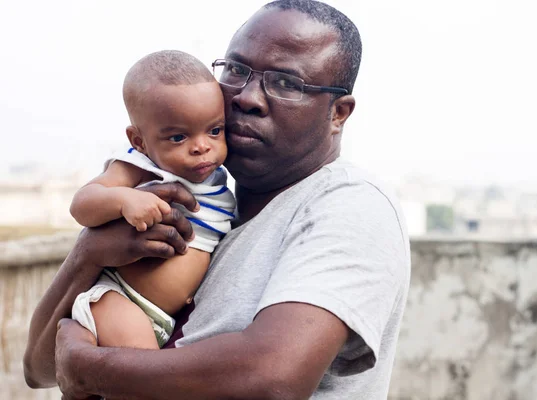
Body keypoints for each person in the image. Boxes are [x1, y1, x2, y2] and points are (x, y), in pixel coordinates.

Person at [23, 1, 411, 399]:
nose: (247, 97)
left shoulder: (350, 206)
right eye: (237, 71)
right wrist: (90, 254)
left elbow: (274, 378)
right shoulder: (187, 201)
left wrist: (92, 369)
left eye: (286, 83)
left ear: (338, 114)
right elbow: (40, 368)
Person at [68, 50, 236, 350]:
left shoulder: (219, 178)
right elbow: (82, 204)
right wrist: (124, 199)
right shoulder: (139, 166)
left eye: (214, 131)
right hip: (119, 301)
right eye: (178, 138)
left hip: (168, 318)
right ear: (139, 141)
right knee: (145, 380)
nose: (202, 147)